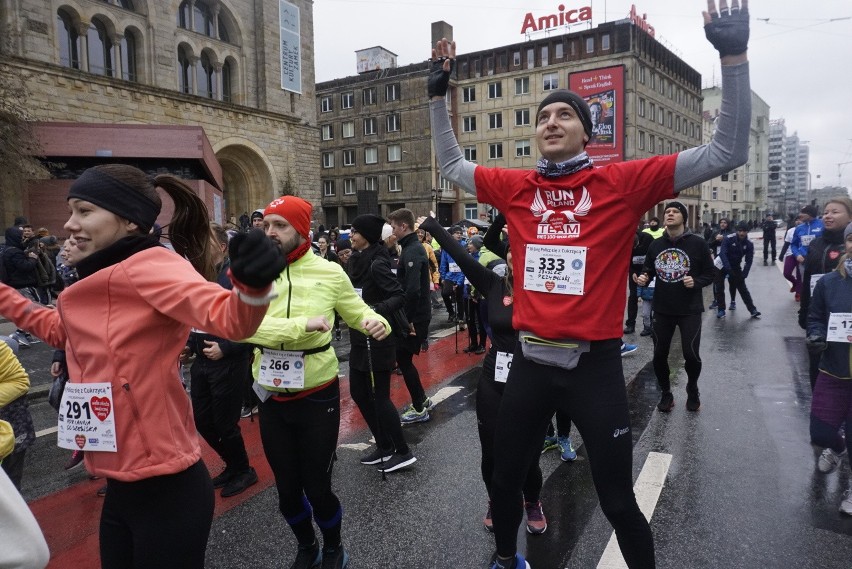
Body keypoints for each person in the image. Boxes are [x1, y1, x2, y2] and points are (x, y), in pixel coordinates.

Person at [427, 1, 751, 566]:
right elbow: (454, 166)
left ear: (587, 130)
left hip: (593, 368)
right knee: (504, 482)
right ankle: (507, 559)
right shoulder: (516, 186)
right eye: (544, 114)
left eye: (565, 115)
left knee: (619, 501)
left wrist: (733, 57)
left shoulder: (621, 182)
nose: (551, 121)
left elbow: (727, 151)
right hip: (529, 366)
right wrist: (436, 99)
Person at [0, 164, 283, 569]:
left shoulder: (151, 265)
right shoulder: (98, 274)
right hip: (120, 482)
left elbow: (230, 320)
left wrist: (252, 286)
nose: (69, 223)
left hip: (166, 487)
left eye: (84, 211)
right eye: (71, 211)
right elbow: (62, 331)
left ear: (129, 219)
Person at [244, 195, 389, 569]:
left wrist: (378, 323)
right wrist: (298, 327)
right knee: (287, 493)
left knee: (318, 488)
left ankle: (334, 546)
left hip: (316, 396)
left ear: (301, 231)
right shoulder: (254, 271)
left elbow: (359, 313)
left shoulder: (329, 271)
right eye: (267, 225)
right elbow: (241, 328)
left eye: (280, 226)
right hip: (272, 396)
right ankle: (306, 546)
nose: (270, 232)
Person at [419, 213, 549, 534]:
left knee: (530, 455)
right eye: (511, 252)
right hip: (495, 378)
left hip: (534, 381)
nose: (514, 258)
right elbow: (462, 257)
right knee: (491, 451)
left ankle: (532, 500)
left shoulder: (550, 289)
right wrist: (435, 226)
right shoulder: (493, 283)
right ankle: (496, 500)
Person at [184, 224, 259, 498]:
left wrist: (226, 349)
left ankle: (244, 470)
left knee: (225, 424)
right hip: (201, 361)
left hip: (227, 362)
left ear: (222, 246)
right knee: (203, 421)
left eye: (204, 242)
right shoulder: (198, 274)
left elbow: (253, 325)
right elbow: (195, 317)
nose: (198, 247)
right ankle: (233, 465)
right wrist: (189, 346)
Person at [346, 214, 416, 472]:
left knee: (380, 397)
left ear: (367, 235)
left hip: (378, 337)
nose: (350, 236)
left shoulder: (377, 263)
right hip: (358, 336)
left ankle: (403, 451)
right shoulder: (355, 260)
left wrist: (375, 310)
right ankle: (384, 445)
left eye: (354, 231)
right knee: (359, 392)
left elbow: (398, 295)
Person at [635, 202, 715, 412]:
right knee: (659, 355)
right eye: (667, 212)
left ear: (684, 218)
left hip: (689, 309)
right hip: (662, 308)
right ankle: (666, 393)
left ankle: (692, 388)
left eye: (675, 211)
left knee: (691, 355)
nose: (670, 214)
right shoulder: (656, 245)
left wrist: (695, 282)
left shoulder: (698, 244)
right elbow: (648, 269)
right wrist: (644, 277)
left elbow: (711, 273)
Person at [805, 221, 852, 515]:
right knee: (820, 431)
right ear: (846, 243)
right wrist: (816, 335)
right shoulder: (829, 283)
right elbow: (816, 317)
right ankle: (837, 448)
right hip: (834, 369)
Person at [797, 197, 852, 389]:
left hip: (843, 319)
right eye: (826, 212)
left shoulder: (848, 247)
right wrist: (804, 312)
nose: (828, 216)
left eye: (835, 212)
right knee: (819, 374)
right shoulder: (816, 244)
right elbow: (807, 281)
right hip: (818, 319)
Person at [387, 208, 435, 424]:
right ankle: (422, 400)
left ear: (403, 226)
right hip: (413, 316)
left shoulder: (413, 250)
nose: (393, 231)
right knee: (404, 360)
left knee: (404, 360)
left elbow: (414, 290)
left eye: (395, 227)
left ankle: (419, 407)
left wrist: (408, 321)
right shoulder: (409, 248)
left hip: (415, 317)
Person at [719, 221, 761, 318]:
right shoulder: (729, 239)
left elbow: (748, 261)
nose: (742, 233)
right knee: (719, 286)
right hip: (721, 264)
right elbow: (723, 254)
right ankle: (721, 309)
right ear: (737, 231)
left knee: (742, 288)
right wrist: (728, 269)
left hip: (735, 265)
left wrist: (744, 274)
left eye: (744, 231)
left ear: (747, 232)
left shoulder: (749, 244)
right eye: (740, 231)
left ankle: (752, 309)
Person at [625, 227, 655, 335]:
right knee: (633, 296)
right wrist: (631, 272)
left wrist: (646, 273)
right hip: (634, 272)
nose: (635, 248)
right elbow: (626, 260)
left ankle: (648, 326)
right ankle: (630, 324)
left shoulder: (648, 238)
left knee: (648, 298)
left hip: (648, 272)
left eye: (636, 246)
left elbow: (654, 257)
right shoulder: (626, 242)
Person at [779, 219, 801, 299]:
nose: (798, 221)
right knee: (786, 273)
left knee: (800, 274)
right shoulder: (790, 231)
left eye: (801, 220)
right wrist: (781, 255)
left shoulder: (806, 230)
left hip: (801, 255)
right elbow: (786, 244)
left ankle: (798, 293)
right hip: (790, 254)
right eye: (797, 220)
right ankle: (794, 283)